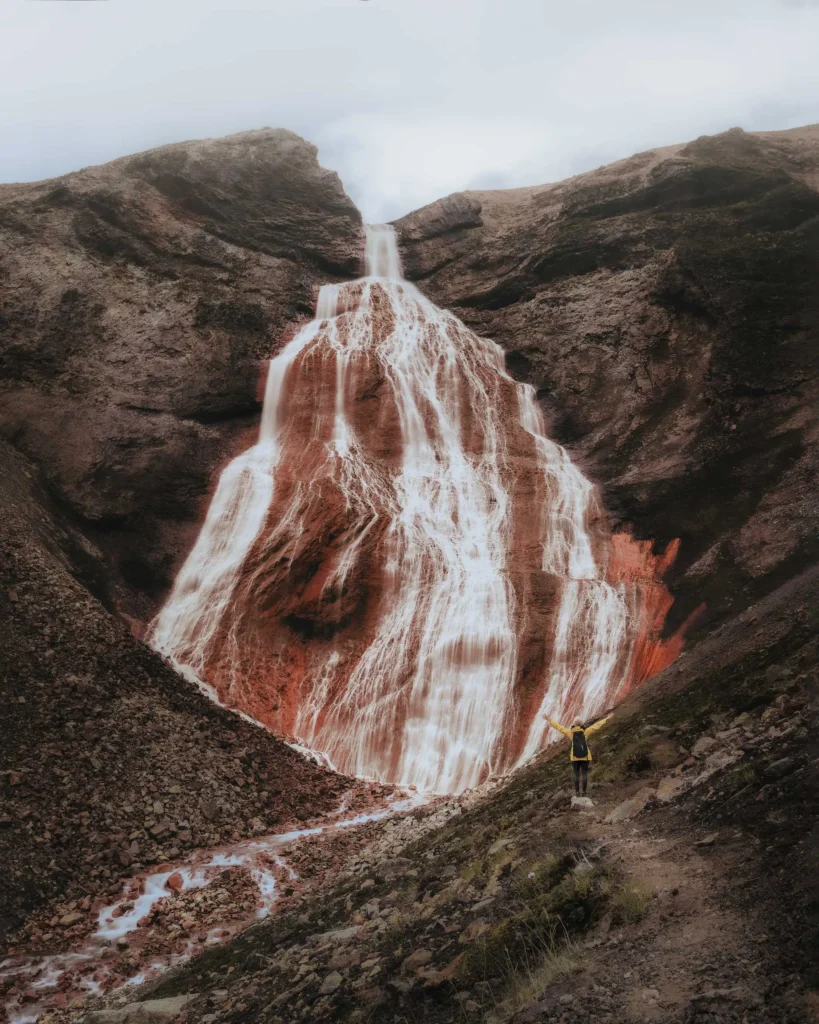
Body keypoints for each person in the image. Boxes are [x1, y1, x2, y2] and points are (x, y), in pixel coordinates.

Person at [545, 714, 611, 796]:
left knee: (576, 774)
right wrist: (606, 719)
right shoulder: (585, 732)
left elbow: (560, 728)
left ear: (574, 724)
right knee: (584, 774)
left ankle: (577, 792)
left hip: (574, 757)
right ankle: (583, 792)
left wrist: (550, 720)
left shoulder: (571, 733)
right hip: (585, 756)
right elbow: (596, 726)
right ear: (582, 724)